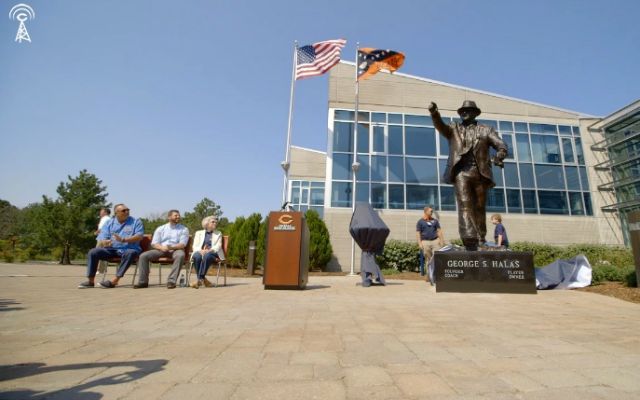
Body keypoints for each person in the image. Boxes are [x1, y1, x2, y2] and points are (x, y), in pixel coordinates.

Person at [428, 100, 508, 251]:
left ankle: (481, 239)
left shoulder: (486, 130)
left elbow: (500, 144)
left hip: (480, 173)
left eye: (468, 110)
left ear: (475, 113)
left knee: (479, 207)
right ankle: (469, 239)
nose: (464, 113)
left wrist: (501, 152)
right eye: (462, 111)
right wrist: (434, 114)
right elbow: (441, 126)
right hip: (461, 172)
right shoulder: (454, 128)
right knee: (465, 204)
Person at [78, 204, 144, 288]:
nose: (127, 212)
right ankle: (90, 281)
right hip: (111, 249)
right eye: (124, 210)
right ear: (116, 213)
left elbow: (139, 236)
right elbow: (102, 237)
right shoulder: (109, 223)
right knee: (93, 252)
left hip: (129, 248)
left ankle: (114, 281)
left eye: (128, 210)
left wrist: (124, 240)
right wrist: (105, 241)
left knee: (130, 253)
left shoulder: (136, 221)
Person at [135, 210, 190, 289]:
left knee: (180, 255)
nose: (178, 217)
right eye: (176, 215)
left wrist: (171, 247)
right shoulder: (161, 228)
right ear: (169, 217)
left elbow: (182, 244)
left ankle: (171, 281)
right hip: (161, 250)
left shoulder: (184, 229)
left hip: (176, 249)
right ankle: (143, 282)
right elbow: (154, 243)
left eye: (178, 215)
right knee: (143, 256)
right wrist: (162, 247)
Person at [189, 216, 225, 288]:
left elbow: (218, 246)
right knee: (196, 256)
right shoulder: (198, 233)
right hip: (200, 251)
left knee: (207, 255)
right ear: (206, 223)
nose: (215, 223)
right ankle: (203, 280)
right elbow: (195, 245)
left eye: (216, 222)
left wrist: (209, 250)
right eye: (213, 222)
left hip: (214, 252)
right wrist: (200, 250)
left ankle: (200, 279)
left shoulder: (218, 233)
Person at [416, 206, 445, 278]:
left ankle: (437, 276)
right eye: (430, 211)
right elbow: (418, 233)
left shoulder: (435, 221)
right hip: (425, 242)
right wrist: (420, 243)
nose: (432, 212)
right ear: (425, 212)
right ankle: (429, 276)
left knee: (436, 258)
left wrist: (441, 241)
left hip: (435, 241)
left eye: (432, 211)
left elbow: (439, 231)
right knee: (428, 260)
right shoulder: (420, 222)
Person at [95, 207, 112, 274]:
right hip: (104, 237)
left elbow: (102, 228)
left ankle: (100, 270)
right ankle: (102, 269)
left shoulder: (105, 218)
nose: (100, 212)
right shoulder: (107, 219)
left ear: (105, 212)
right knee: (103, 253)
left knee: (98, 252)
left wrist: (97, 232)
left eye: (101, 211)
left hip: (103, 238)